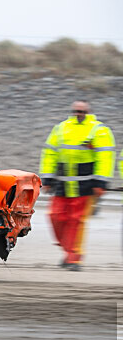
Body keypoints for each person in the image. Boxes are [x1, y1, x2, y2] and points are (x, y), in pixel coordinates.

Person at [39, 100, 115, 271]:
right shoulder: (60, 128)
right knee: (55, 216)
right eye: (75, 110)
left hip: (86, 186)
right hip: (62, 184)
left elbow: (105, 158)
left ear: (88, 112)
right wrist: (47, 179)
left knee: (76, 222)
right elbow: (49, 154)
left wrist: (100, 183)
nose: (78, 113)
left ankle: (74, 258)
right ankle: (67, 250)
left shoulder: (99, 130)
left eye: (81, 111)